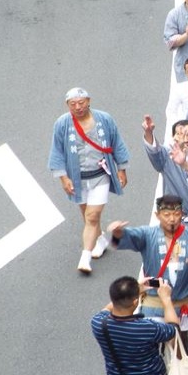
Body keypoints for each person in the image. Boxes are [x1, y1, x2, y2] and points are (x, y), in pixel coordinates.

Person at [107, 195, 188, 351]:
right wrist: (119, 233)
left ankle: (181, 371)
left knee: (180, 345)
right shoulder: (148, 234)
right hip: (154, 301)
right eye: (167, 215)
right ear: (157, 215)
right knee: (149, 345)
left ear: (182, 214)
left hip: (181, 303)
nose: (172, 219)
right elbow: (130, 236)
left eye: (176, 214)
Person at [49, 87, 130, 274]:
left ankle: (85, 258)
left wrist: (122, 169)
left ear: (89, 101)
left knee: (92, 216)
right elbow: (57, 152)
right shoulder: (62, 124)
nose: (78, 107)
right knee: (87, 215)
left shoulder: (104, 119)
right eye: (73, 104)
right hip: (78, 178)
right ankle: (100, 239)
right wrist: (63, 178)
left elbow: (117, 143)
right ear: (67, 105)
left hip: (100, 175)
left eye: (81, 102)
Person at [91, 276, 179, 375]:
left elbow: (107, 309)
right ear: (135, 302)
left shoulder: (98, 323)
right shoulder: (148, 328)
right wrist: (166, 299)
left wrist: (132, 292)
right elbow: (174, 329)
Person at [142, 116, 188, 244]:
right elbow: (154, 151)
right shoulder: (167, 157)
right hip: (174, 220)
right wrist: (149, 133)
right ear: (173, 136)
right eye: (180, 134)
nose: (185, 139)